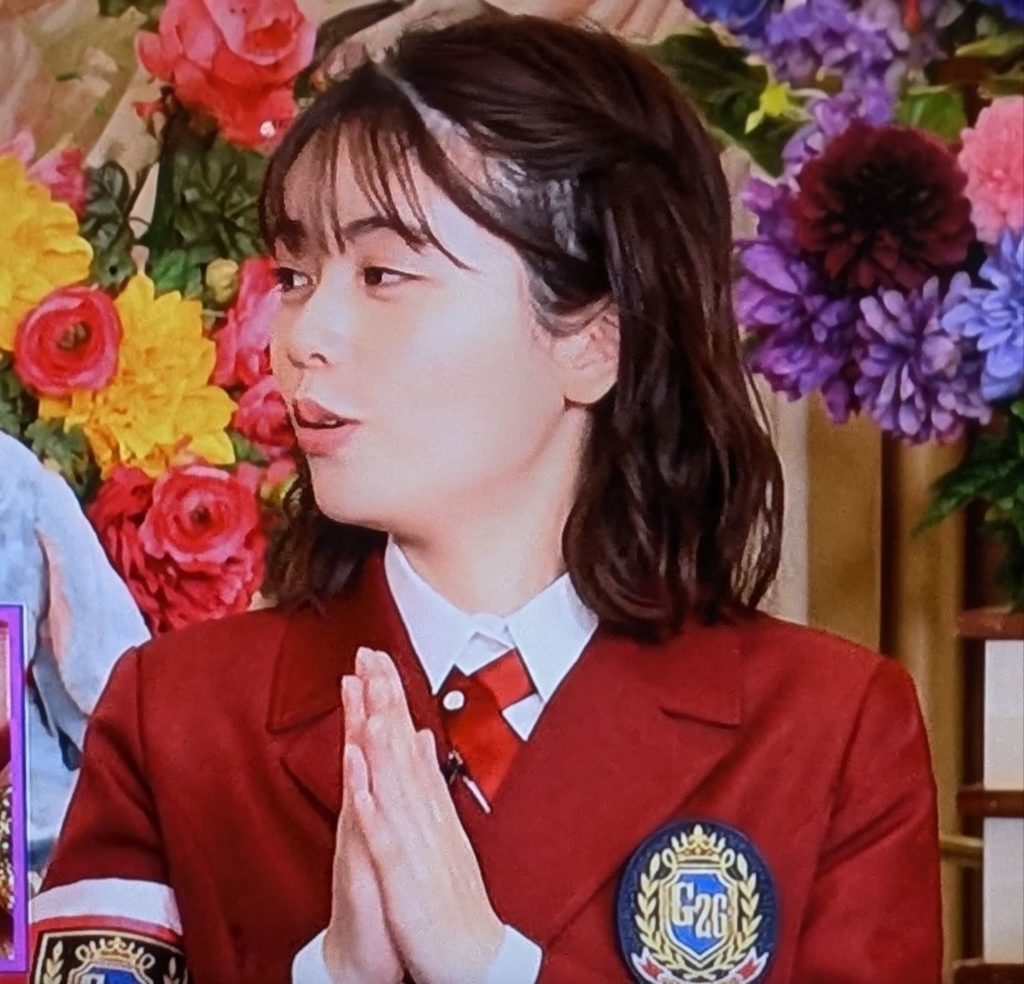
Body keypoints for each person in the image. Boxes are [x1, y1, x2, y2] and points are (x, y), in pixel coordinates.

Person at [30, 14, 942, 984]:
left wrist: (490, 966)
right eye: (296, 276)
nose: (302, 337)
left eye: (383, 275)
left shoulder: (828, 733)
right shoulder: (175, 718)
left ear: (593, 337)